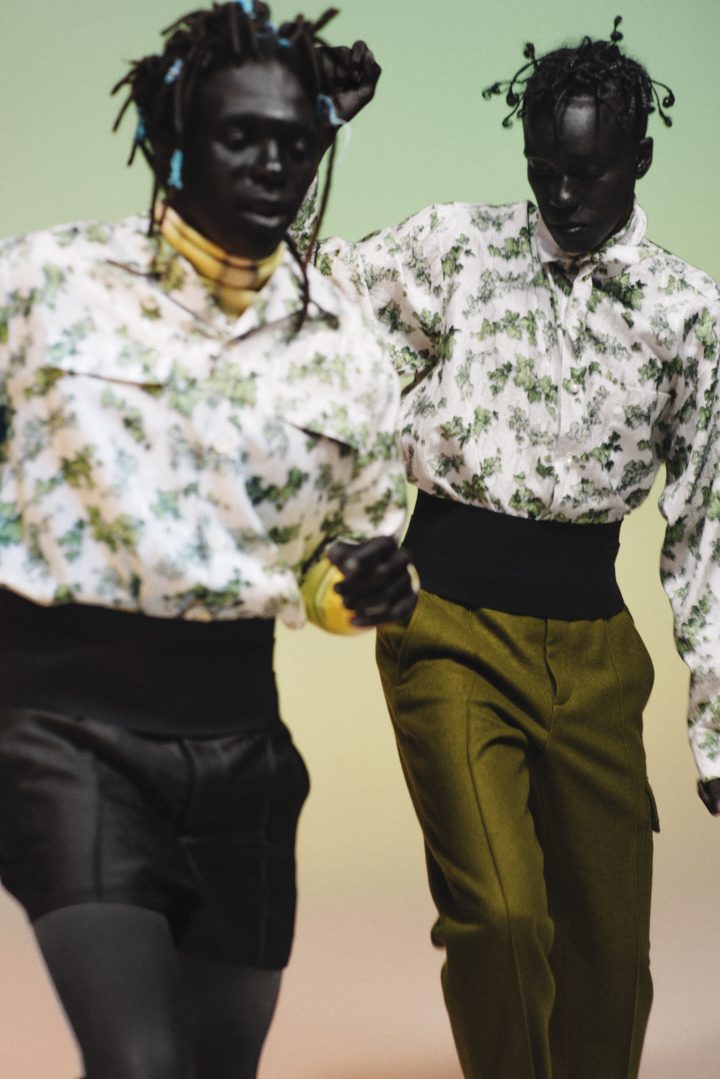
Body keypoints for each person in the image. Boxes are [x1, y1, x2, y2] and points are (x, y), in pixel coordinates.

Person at [0, 3, 417, 1078]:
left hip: (242, 749)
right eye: (243, 136)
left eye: (296, 142)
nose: (275, 164)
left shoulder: (348, 349)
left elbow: (331, 568)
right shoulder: (43, 286)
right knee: (140, 1064)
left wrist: (361, 592)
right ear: (171, 139)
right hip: (64, 729)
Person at [300, 15, 720, 1079]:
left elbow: (708, 527)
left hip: (595, 651)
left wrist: (716, 727)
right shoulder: (456, 250)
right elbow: (305, 309)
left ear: (640, 159)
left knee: (610, 963)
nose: (562, 197)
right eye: (544, 170)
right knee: (498, 917)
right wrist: (310, 136)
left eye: (588, 172)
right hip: (447, 624)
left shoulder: (690, 317)